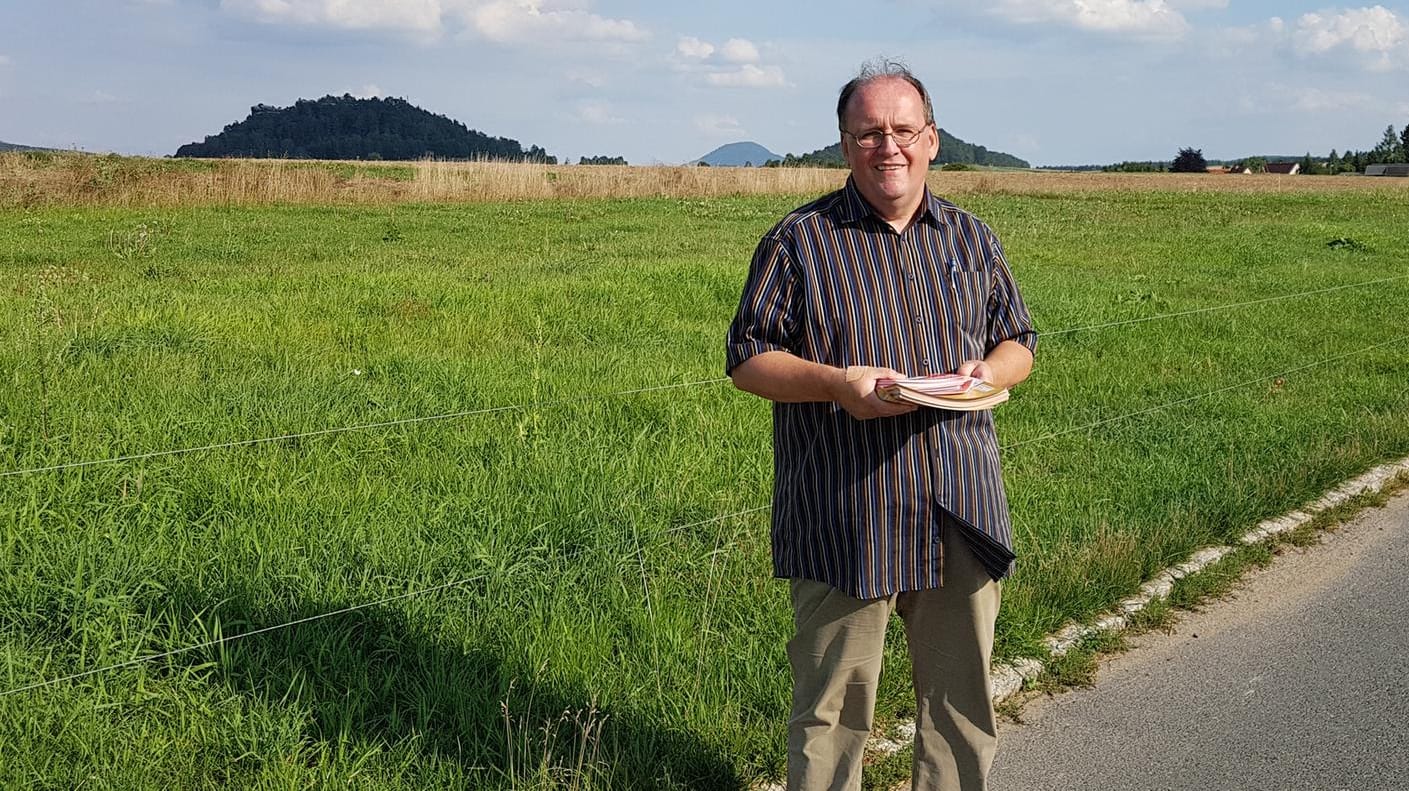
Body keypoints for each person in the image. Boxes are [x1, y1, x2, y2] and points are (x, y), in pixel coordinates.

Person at [724, 60, 1037, 791]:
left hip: (959, 504)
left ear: (930, 140)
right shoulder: (797, 241)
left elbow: (1018, 339)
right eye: (869, 132)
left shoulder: (970, 238)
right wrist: (836, 384)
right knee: (832, 713)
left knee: (962, 705)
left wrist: (987, 374)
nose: (886, 146)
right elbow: (747, 359)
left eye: (902, 130)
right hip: (845, 509)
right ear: (844, 145)